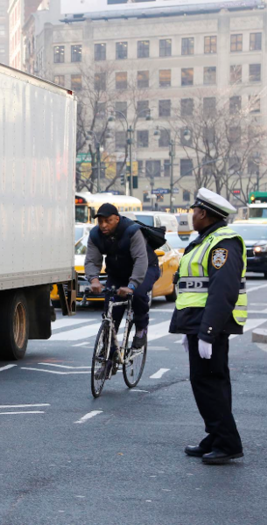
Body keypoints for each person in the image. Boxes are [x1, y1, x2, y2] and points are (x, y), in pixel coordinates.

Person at [170, 188, 246, 465]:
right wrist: (189, 329)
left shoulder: (223, 243)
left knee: (210, 384)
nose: (192, 215)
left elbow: (222, 292)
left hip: (210, 326)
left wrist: (208, 334)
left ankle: (227, 442)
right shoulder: (206, 239)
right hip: (197, 323)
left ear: (204, 213)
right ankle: (215, 435)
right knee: (206, 383)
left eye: (194, 211)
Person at [84, 203, 161, 374]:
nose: (103, 225)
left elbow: (141, 260)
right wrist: (94, 280)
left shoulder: (132, 231)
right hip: (118, 273)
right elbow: (91, 260)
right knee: (110, 313)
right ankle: (108, 359)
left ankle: (141, 330)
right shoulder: (96, 235)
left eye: (108, 221)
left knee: (138, 294)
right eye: (100, 221)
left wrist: (132, 285)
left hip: (146, 268)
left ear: (117, 219)